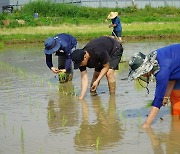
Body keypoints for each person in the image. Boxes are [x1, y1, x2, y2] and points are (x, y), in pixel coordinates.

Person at [128, 44, 180, 128]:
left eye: (142, 74)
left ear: (146, 69)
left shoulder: (162, 71)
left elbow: (157, 100)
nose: (143, 76)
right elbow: (172, 74)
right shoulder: (152, 58)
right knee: (176, 97)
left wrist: (147, 124)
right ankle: (176, 129)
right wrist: (166, 96)